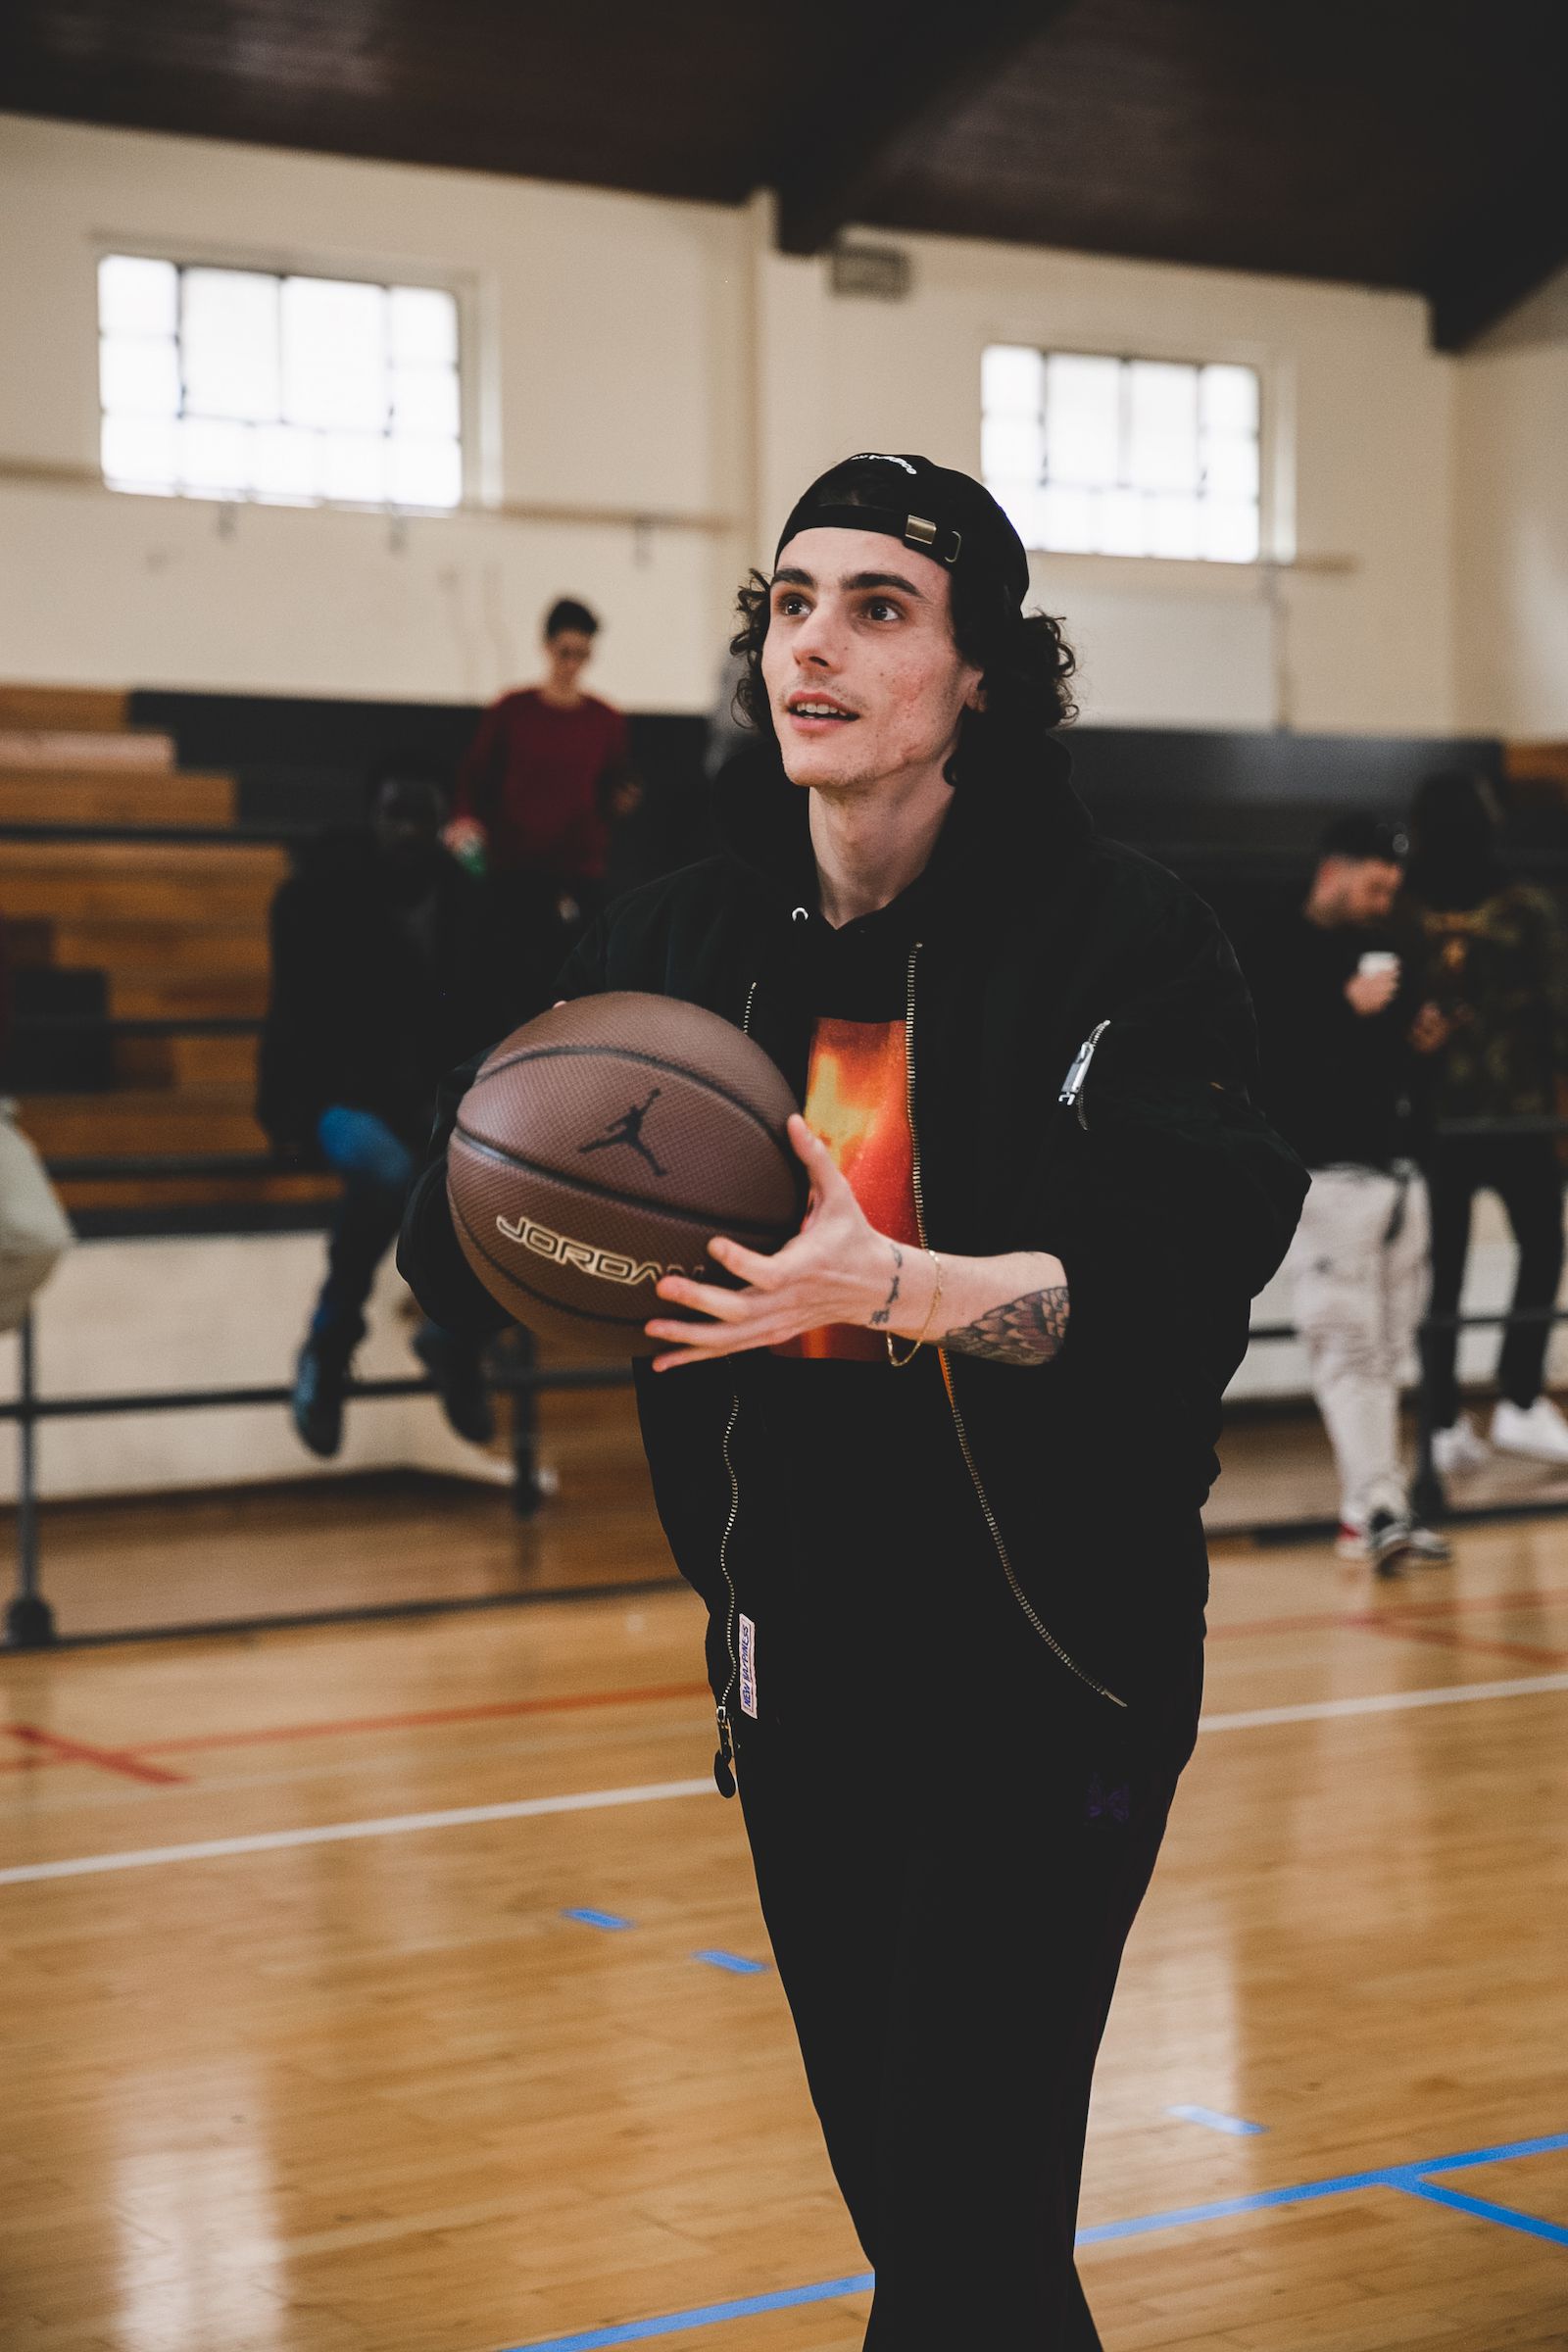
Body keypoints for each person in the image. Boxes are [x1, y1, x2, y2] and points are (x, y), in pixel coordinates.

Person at [399, 453, 1305, 2347]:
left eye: (879, 607)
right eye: (790, 603)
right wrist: (513, 1200)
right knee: (936, 2227)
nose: (812, 645)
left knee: (960, 2227)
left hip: (1051, 1669)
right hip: (796, 1671)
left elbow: (1178, 1281)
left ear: (983, 673)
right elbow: (462, 1231)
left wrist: (887, 1283)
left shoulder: (1123, 938)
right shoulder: (670, 948)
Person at [258, 760, 503, 1458]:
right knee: (393, 1178)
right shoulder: (321, 896)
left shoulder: (464, 902)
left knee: (487, 1186)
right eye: (395, 814)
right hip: (338, 1100)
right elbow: (291, 1014)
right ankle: (386, 1341)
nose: (407, 830)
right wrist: (285, 1115)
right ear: (372, 818)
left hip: (430, 1105)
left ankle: (382, 1343)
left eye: (421, 816)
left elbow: (483, 1015)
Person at [1244, 815, 1450, 1571]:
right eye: (1373, 887)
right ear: (1333, 872)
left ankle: (1373, 1509)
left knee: (1388, 1352)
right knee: (1348, 1345)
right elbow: (1261, 1059)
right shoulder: (1272, 949)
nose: (1382, 902)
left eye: (1391, 890)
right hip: (1328, 1181)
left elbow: (1394, 1065)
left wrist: (1423, 1042)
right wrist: (1343, 1008)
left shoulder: (1392, 949)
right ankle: (1377, 1509)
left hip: (1399, 1176)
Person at [1405, 771, 1568, 1475]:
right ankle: (1516, 1398)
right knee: (1538, 1247)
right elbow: (1560, 1007)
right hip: (1510, 1110)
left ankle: (1447, 1419)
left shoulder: (1405, 907)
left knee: (1444, 1271)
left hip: (1442, 1116)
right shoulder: (1524, 906)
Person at [449, 596, 640, 929]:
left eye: (582, 655)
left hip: (579, 869)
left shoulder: (606, 720)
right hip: (513, 866)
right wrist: (465, 820)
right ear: (548, 647)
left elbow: (611, 789)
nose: (572, 665)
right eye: (565, 653)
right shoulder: (512, 711)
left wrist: (622, 801)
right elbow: (475, 775)